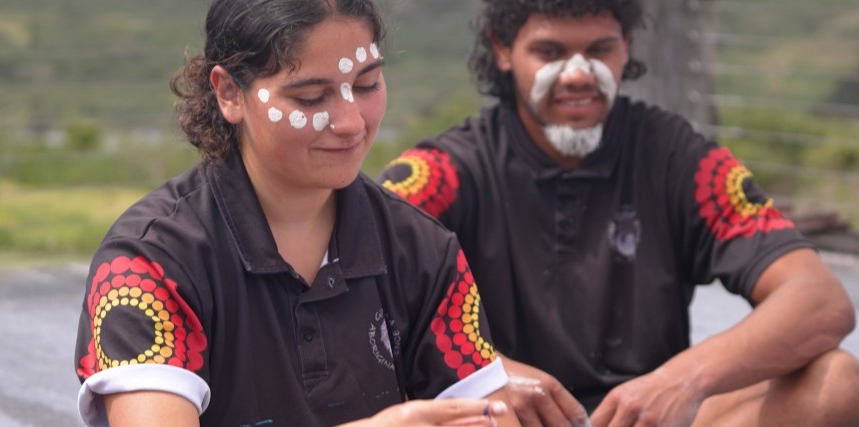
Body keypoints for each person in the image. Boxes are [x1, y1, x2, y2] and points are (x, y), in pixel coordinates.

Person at [377, 0, 859, 426]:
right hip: (506, 415)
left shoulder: (681, 158)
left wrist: (681, 381)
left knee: (837, 381)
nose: (577, 74)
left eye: (599, 50)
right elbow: (370, 297)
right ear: (503, 49)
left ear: (627, 47)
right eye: (549, 52)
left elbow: (820, 300)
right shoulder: (440, 171)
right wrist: (491, 374)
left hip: (647, 415)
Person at [72, 1, 523, 426]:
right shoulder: (146, 264)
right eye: (310, 97)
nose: (350, 122)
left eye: (366, 85)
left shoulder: (425, 251)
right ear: (228, 93)